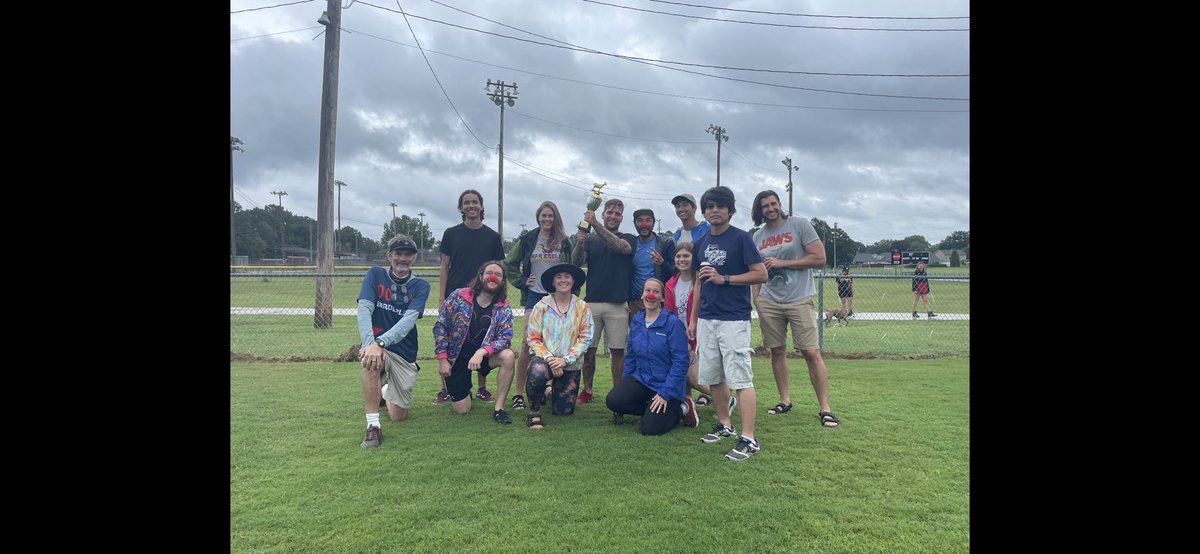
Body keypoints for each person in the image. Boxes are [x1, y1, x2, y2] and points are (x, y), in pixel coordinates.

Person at [688, 186, 768, 461]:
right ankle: (725, 424)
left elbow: (761, 274)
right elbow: (698, 283)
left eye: (720, 206)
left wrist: (726, 279)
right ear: (704, 211)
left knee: (740, 378)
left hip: (733, 319)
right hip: (707, 319)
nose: (714, 210)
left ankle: (749, 438)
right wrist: (693, 318)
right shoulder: (700, 244)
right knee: (713, 376)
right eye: (709, 206)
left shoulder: (741, 239)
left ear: (730, 210)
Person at [749, 190, 840, 429]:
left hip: (799, 298)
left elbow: (819, 258)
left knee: (811, 352)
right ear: (759, 210)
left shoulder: (799, 225)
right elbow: (756, 270)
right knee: (777, 352)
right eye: (765, 206)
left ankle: (825, 408)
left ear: (780, 204)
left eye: (773, 203)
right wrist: (757, 298)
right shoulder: (757, 237)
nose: (770, 208)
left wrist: (783, 263)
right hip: (769, 301)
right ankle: (785, 400)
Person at [356, 234, 431, 448]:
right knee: (370, 362)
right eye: (398, 253)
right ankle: (373, 427)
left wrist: (379, 343)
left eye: (408, 255)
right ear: (389, 255)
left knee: (398, 416)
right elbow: (364, 309)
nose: (403, 259)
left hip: (403, 352)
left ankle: (384, 389)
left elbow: (408, 322)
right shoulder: (375, 275)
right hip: (377, 346)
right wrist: (370, 344)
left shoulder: (421, 286)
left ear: (415, 258)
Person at [435, 189, 506, 405]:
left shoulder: (493, 237)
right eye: (466, 203)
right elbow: (445, 267)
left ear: (482, 206)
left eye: (475, 202)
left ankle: (482, 388)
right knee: (450, 341)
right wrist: (441, 298)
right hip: (456, 297)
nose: (471, 206)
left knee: (481, 339)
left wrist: (501, 298)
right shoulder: (451, 233)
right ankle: (445, 387)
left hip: (484, 296)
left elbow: (498, 270)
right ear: (461, 207)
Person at [504, 201, 573, 412]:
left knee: (554, 344)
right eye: (543, 216)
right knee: (527, 343)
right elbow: (509, 263)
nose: (547, 219)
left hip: (557, 296)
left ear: (555, 218)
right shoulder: (528, 239)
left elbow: (570, 267)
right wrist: (522, 280)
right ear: (538, 217)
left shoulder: (563, 241)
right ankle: (518, 393)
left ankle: (547, 389)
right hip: (534, 295)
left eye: (550, 216)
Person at [606, 278, 697, 434]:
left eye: (656, 292)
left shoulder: (672, 323)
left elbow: (680, 363)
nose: (651, 295)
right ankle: (651, 410)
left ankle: (682, 409)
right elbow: (631, 356)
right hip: (643, 381)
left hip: (666, 386)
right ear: (642, 295)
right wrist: (625, 383)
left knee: (650, 429)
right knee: (614, 400)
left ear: (662, 298)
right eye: (648, 290)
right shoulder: (637, 321)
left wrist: (665, 393)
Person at [433, 261, 518, 424]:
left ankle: (499, 409)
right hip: (458, 357)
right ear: (481, 277)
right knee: (462, 410)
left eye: (498, 275)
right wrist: (443, 359)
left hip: (484, 357)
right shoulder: (459, 296)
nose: (493, 277)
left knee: (508, 355)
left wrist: (482, 352)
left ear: (502, 281)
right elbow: (440, 326)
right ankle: (462, 389)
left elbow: (505, 337)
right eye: (489, 273)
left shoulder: (503, 306)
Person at [571, 198, 636, 406]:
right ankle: (587, 390)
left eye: (617, 214)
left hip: (618, 303)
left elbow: (620, 248)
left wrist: (595, 223)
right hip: (592, 302)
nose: (613, 216)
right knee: (588, 351)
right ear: (605, 212)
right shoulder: (591, 240)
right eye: (609, 212)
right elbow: (576, 262)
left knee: (618, 351)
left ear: (621, 218)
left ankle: (617, 392)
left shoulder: (629, 238)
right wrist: (580, 243)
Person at [524, 263, 594, 429]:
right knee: (537, 372)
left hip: (570, 365)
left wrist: (565, 360)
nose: (563, 280)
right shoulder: (541, 306)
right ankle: (534, 413)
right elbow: (533, 338)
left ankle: (548, 392)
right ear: (553, 282)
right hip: (544, 360)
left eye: (567, 276)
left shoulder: (582, 307)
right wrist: (550, 359)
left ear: (573, 281)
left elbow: (586, 338)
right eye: (559, 277)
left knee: (563, 411)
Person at [662, 242, 713, 407]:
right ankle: (688, 403)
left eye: (686, 256)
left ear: (694, 258)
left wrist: (692, 343)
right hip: (680, 336)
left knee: (693, 376)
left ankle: (726, 399)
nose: (681, 259)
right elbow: (670, 315)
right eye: (678, 256)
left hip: (701, 335)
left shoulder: (701, 281)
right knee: (681, 372)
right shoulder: (670, 284)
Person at [627, 208, 676, 315]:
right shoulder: (631, 245)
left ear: (653, 223)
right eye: (640, 220)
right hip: (635, 302)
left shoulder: (665, 244)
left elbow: (676, 272)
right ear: (634, 223)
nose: (644, 224)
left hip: (657, 302)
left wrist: (662, 263)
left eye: (648, 220)